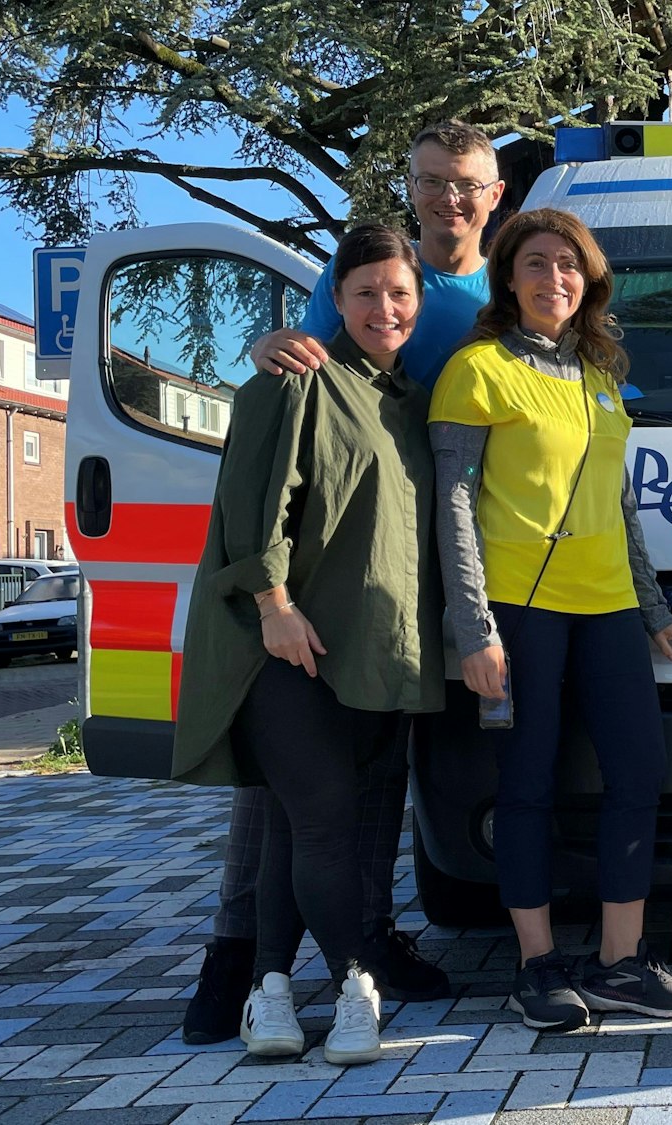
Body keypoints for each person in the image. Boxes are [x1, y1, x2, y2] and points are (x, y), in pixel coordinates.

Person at [182, 119, 506, 1044]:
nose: (450, 197)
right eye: (433, 180)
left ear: (495, 196)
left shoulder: (506, 289)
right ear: (412, 188)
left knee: (371, 785)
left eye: (468, 183)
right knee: (288, 796)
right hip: (323, 590)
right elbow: (293, 388)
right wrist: (265, 342)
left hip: (417, 584)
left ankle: (362, 938)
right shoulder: (367, 276)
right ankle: (240, 959)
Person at [428, 207, 672, 1032]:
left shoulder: (597, 373)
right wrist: (474, 627)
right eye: (536, 262)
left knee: (637, 772)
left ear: (588, 280)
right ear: (508, 277)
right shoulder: (476, 369)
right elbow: (453, 508)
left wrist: (653, 608)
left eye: (567, 264)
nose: (553, 277)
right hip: (520, 608)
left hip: (609, 606)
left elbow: (620, 505)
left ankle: (621, 963)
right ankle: (538, 965)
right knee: (527, 784)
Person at [173, 222, 445, 1065]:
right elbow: (251, 501)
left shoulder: (410, 403)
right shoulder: (296, 379)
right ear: (335, 298)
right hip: (288, 648)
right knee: (325, 824)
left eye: (399, 292)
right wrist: (274, 603)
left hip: (372, 653)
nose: (384, 307)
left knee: (300, 831)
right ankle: (357, 988)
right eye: (365, 292)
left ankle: (269, 990)